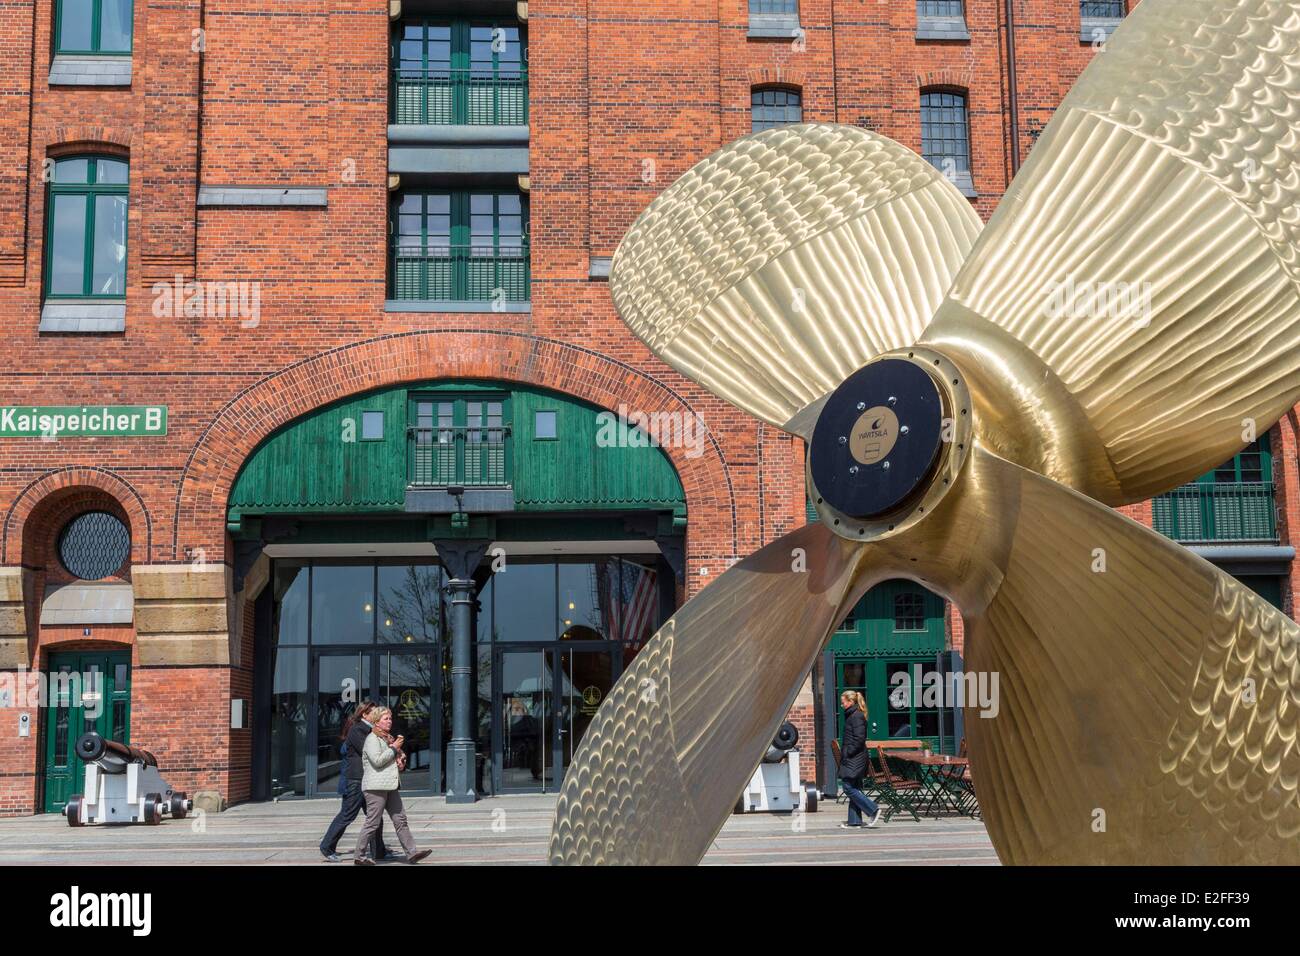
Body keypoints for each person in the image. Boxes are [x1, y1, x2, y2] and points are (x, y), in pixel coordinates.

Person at [353, 707, 432, 865]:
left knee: (400, 820)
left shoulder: (385, 739)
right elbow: (378, 761)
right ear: (376, 721)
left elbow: (388, 761)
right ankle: (359, 856)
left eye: (390, 718)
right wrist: (394, 747)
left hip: (390, 785)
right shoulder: (372, 739)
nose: (389, 721)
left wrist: (399, 762)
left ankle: (412, 853)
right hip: (375, 787)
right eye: (385, 719)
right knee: (373, 822)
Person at [319, 701, 394, 862]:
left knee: (375, 817)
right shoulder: (358, 729)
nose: (377, 715)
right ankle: (327, 847)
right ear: (364, 715)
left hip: (367, 779)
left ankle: (378, 851)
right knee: (348, 814)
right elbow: (368, 750)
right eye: (374, 713)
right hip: (356, 780)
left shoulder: (370, 730)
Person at [838, 691, 883, 829]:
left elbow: (859, 739)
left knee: (848, 787)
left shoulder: (856, 716)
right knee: (854, 786)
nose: (841, 704)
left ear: (851, 702)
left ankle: (873, 809)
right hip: (854, 757)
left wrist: (847, 752)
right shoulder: (852, 715)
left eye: (843, 701)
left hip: (855, 757)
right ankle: (854, 821)